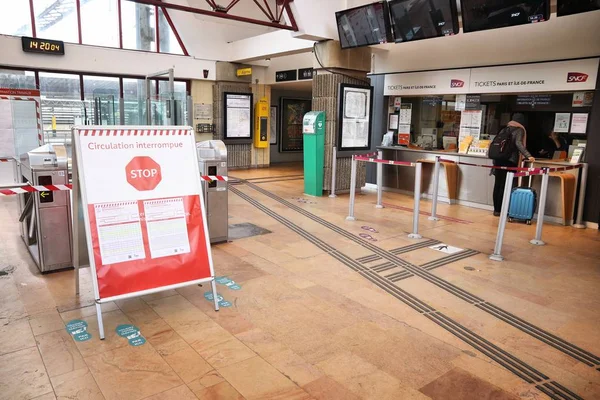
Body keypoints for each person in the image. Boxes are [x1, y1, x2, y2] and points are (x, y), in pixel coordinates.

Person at [492, 113, 535, 216]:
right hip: (509, 161)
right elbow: (518, 143)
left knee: (498, 185)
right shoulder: (519, 130)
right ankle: (503, 209)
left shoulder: (504, 129)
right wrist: (528, 156)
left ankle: (496, 210)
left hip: (498, 160)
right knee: (506, 185)